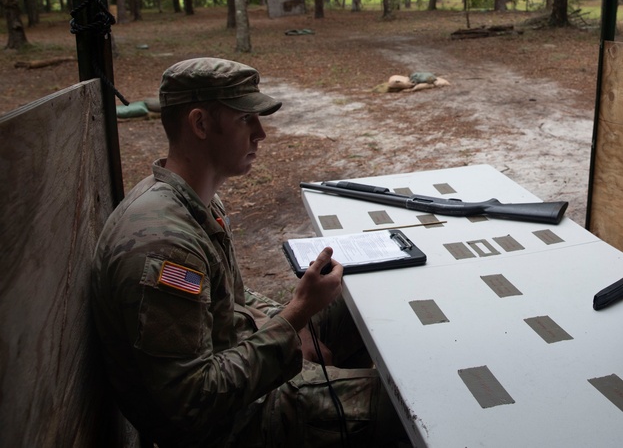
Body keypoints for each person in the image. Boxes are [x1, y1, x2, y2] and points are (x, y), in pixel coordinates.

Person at [91, 57, 407, 448]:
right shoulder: (165, 245)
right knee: (402, 409)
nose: (261, 133)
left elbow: (233, 302)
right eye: (245, 119)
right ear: (200, 124)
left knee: (353, 302)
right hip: (234, 422)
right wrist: (293, 320)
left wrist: (289, 322)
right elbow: (192, 403)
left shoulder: (196, 201)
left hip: (243, 365)